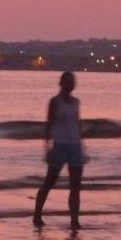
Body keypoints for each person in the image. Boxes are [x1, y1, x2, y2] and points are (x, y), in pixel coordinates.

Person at [33, 71, 85, 230]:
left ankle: (74, 221)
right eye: (67, 82)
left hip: (75, 146)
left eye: (72, 82)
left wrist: (82, 144)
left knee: (75, 186)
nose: (70, 85)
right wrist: (47, 146)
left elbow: (77, 124)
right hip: (60, 145)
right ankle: (37, 215)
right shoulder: (55, 102)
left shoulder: (76, 102)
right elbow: (48, 125)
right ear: (61, 84)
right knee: (50, 181)